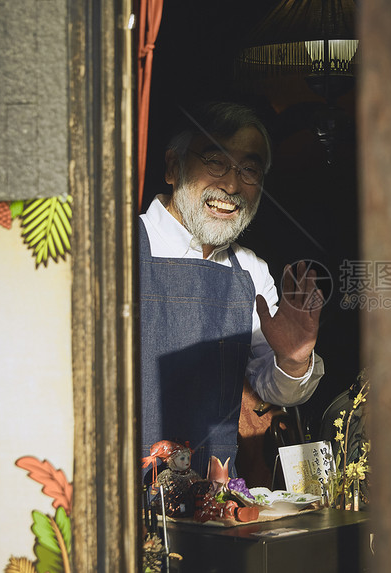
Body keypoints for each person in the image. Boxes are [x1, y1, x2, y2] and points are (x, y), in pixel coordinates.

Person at [139, 101, 324, 478]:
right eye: (215, 162)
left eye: (249, 170)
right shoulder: (117, 250)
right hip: (121, 491)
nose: (232, 185)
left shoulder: (251, 270)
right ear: (173, 167)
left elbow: (270, 389)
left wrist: (293, 360)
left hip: (216, 497)